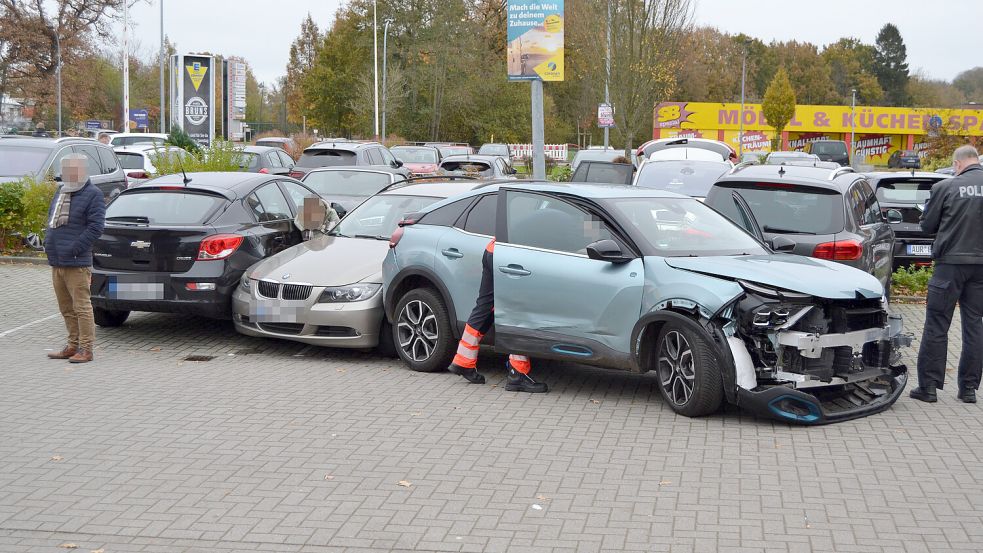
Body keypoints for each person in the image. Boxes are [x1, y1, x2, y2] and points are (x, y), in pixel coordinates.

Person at [910, 145, 983, 403]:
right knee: (975, 325)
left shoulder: (946, 187)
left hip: (949, 265)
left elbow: (927, 225)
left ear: (957, 164)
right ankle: (969, 390)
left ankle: (928, 388)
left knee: (937, 324)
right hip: (981, 267)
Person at [446, 239, 548, 393]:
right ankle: (517, 373)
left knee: (486, 305)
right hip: (512, 254)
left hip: (494, 249)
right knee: (517, 308)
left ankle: (463, 360)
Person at [43, 154, 106, 364]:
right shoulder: (61, 191)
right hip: (56, 259)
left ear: (83, 171)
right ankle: (72, 345)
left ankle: (86, 349)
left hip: (77, 261)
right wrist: (47, 243)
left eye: (74, 169)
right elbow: (51, 220)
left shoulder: (93, 194)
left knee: (81, 307)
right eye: (66, 169)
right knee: (66, 308)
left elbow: (96, 227)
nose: (69, 173)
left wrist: (75, 248)